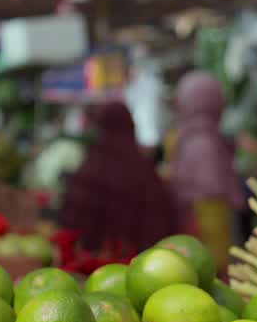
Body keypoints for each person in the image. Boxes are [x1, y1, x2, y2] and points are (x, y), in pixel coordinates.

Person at [58, 103, 178, 255]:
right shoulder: (144, 171)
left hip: (91, 265)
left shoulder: (91, 168)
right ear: (130, 127)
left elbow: (72, 223)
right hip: (143, 265)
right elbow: (159, 224)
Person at [169, 71, 246, 273]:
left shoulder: (187, 137)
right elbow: (212, 190)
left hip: (195, 225)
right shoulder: (205, 142)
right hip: (209, 226)